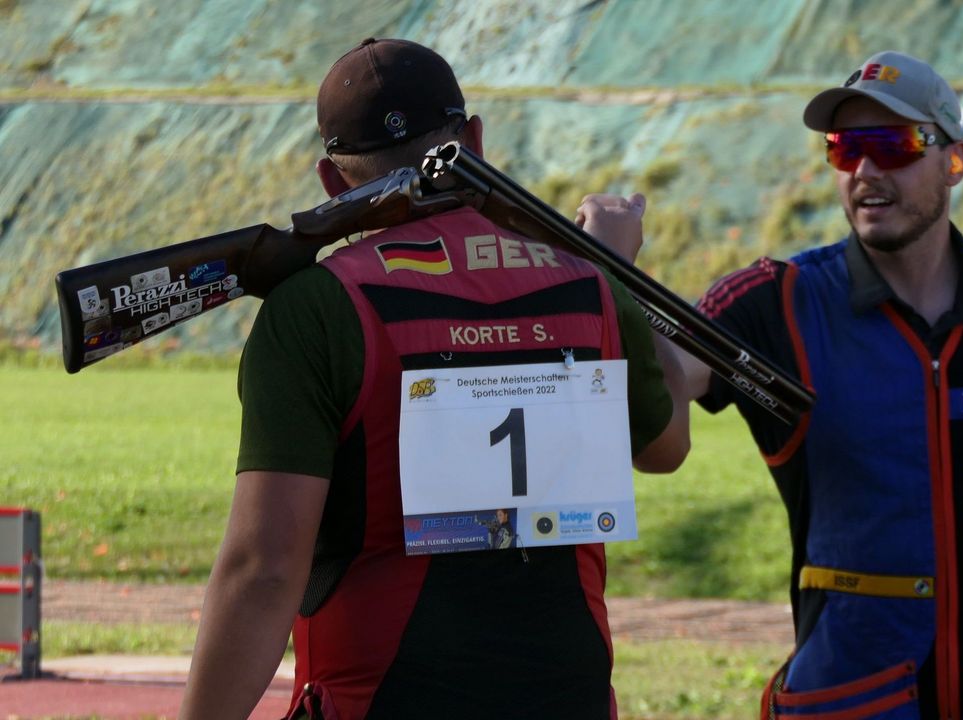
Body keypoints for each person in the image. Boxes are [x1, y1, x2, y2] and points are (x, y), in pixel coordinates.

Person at [585, 51, 963, 719]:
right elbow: (664, 400)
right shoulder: (775, 303)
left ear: (954, 161)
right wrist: (607, 272)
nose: (867, 172)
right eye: (846, 151)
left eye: (892, 145)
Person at [178, 38, 689, 720]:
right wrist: (618, 267)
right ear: (474, 139)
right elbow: (666, 445)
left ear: (333, 182)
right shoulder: (590, 286)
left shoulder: (318, 307)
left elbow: (264, 571)